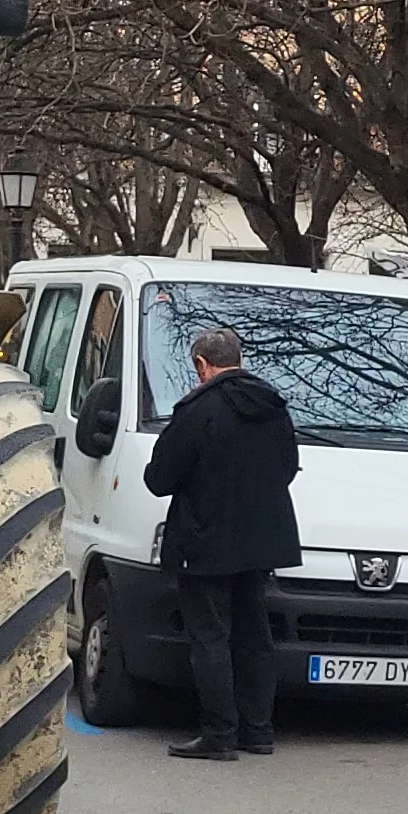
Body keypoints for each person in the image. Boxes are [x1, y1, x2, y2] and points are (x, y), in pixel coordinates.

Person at [143, 325, 305, 760]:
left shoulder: (198, 410)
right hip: (261, 543)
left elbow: (160, 479)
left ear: (202, 364)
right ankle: (259, 731)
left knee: (210, 638)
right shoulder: (273, 407)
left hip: (205, 542)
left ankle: (219, 734)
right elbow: (288, 467)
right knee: (254, 637)